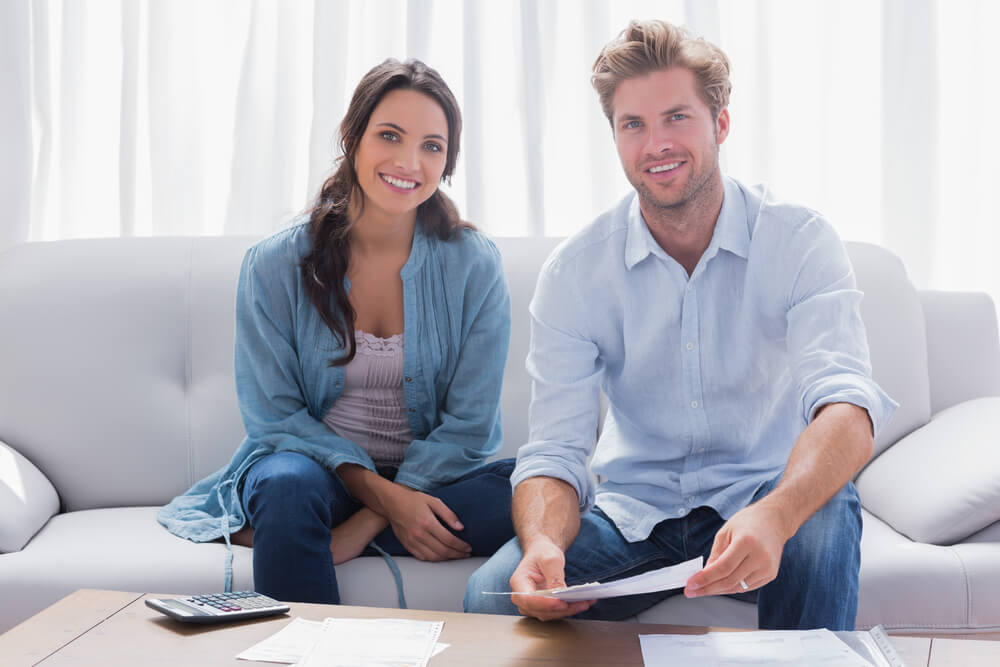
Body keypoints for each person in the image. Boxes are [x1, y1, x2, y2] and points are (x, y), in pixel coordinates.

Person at [464, 20, 896, 631]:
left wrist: (776, 514)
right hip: (632, 513)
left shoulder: (799, 240)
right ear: (614, 139)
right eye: (632, 125)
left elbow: (847, 408)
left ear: (720, 124)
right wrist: (543, 546)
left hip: (762, 500)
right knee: (489, 595)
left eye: (676, 118)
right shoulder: (575, 273)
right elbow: (555, 451)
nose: (655, 143)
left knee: (825, 518)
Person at [159, 59, 515, 605]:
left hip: (433, 479)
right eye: (389, 136)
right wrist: (382, 497)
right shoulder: (273, 264)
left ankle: (298, 543)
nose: (408, 161)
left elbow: (470, 426)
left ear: (447, 163)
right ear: (352, 139)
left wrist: (369, 521)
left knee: (529, 490)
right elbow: (273, 415)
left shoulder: (475, 265)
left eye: (432, 146)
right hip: (315, 473)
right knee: (284, 487)